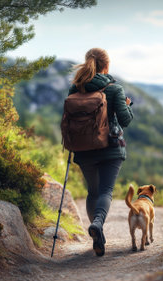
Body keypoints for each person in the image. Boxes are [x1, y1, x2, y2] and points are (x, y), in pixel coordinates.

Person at [68, 48, 133, 256]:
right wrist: (127, 106)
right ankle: (97, 223)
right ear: (106, 66)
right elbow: (125, 120)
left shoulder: (75, 89)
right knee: (106, 192)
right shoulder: (114, 89)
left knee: (93, 192)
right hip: (111, 148)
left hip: (83, 149)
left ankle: (98, 234)